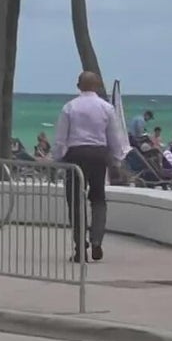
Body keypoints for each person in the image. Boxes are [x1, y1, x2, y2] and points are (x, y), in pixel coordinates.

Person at [54, 71, 128, 262]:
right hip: (98, 155)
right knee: (98, 198)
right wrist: (116, 160)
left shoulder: (70, 107)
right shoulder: (106, 108)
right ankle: (96, 241)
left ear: (78, 86)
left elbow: (61, 139)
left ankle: (80, 247)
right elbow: (115, 137)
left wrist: (58, 160)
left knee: (75, 201)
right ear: (97, 86)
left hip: (76, 155)